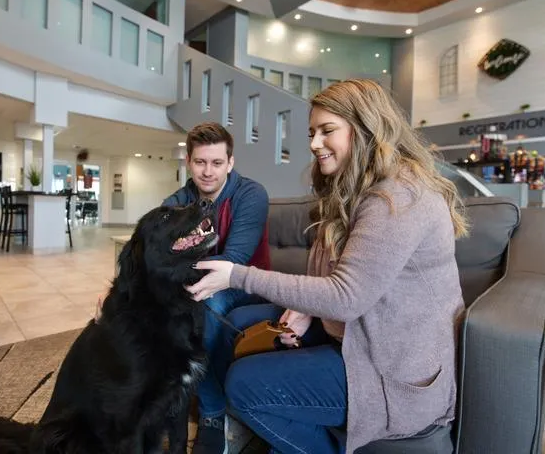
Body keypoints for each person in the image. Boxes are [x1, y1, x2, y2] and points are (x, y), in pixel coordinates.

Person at [186, 79, 468, 453]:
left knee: (243, 384)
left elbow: (345, 297)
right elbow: (334, 274)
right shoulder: (354, 190)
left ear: (366, 128)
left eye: (327, 131)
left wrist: (238, 276)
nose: (314, 143)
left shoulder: (399, 196)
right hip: (358, 336)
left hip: (391, 370)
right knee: (238, 325)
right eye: (312, 133)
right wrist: (303, 306)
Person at [162, 121, 270, 454]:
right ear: (188, 162)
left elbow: (234, 259)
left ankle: (212, 412)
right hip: (199, 282)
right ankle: (164, 394)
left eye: (217, 163)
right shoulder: (178, 201)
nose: (208, 172)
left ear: (230, 163)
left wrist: (180, 272)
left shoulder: (250, 194)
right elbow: (155, 251)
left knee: (203, 311)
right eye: (200, 162)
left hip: (246, 282)